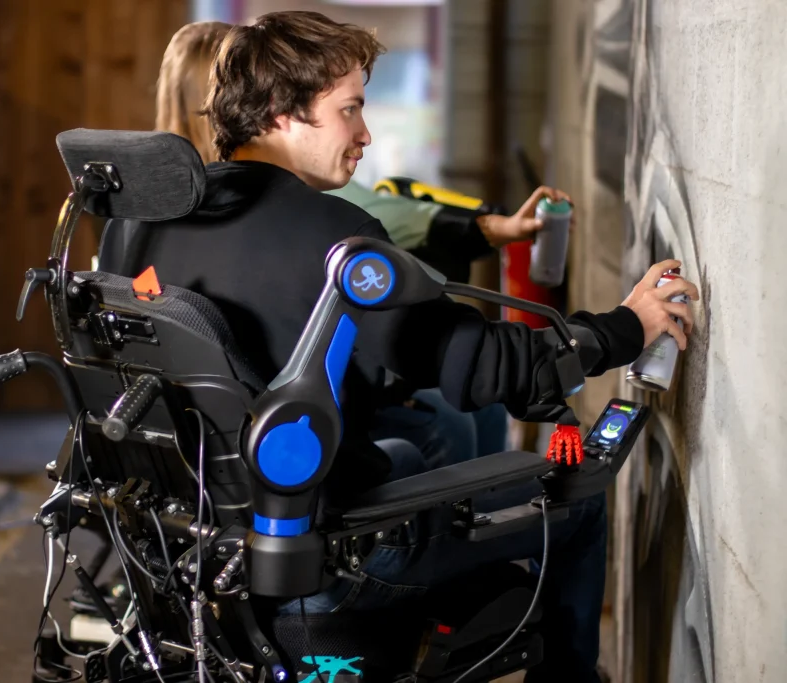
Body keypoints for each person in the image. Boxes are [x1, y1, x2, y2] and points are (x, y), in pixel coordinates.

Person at [106, 11, 699, 681]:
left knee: (408, 449)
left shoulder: (152, 225)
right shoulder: (334, 237)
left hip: (202, 548)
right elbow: (487, 366)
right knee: (581, 501)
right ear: (279, 112)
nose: (365, 135)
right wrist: (626, 325)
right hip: (329, 562)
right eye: (349, 110)